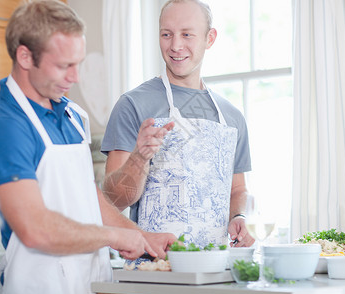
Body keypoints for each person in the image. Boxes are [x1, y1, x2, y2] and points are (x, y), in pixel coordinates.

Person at [0, 1, 176, 294]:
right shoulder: (5, 126)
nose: (75, 77)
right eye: (63, 65)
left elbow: (87, 196)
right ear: (25, 56)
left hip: (88, 285)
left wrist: (144, 237)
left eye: (77, 63)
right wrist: (114, 236)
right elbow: (35, 229)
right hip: (38, 290)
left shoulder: (71, 115)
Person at [101, 0, 255, 249]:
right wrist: (140, 158)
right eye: (166, 34)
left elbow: (237, 190)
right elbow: (112, 201)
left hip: (216, 265)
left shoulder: (232, 117)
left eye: (187, 34)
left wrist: (238, 216)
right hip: (155, 268)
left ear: (210, 38)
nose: (175, 46)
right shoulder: (133, 105)